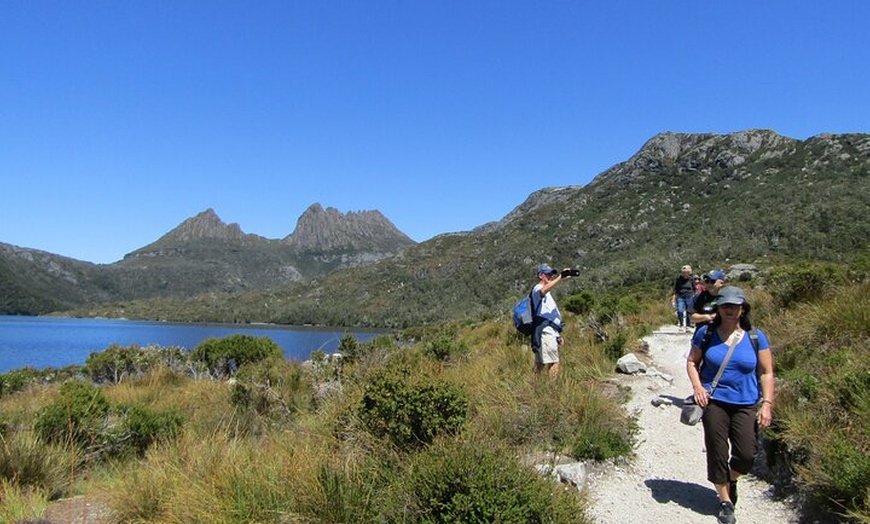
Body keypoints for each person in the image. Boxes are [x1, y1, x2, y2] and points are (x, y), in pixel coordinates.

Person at [685, 286, 775, 524]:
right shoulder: (705, 333)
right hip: (714, 401)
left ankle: (731, 478)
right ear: (719, 308)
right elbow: (692, 362)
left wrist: (767, 404)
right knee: (717, 450)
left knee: (746, 454)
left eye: (735, 306)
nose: (730, 310)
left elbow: (766, 373)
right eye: (725, 305)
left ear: (743, 308)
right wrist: (698, 388)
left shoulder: (756, 336)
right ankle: (725, 501)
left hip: (746, 402)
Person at [531, 264, 571, 378]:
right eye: (547, 274)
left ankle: (536, 388)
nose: (550, 276)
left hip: (549, 332)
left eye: (551, 274)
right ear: (540, 276)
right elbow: (543, 290)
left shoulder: (547, 294)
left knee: (540, 364)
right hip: (546, 332)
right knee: (554, 362)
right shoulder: (538, 289)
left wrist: (558, 335)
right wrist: (560, 277)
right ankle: (551, 390)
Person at [691, 269, 727, 334]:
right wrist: (708, 317)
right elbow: (692, 317)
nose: (709, 283)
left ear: (721, 283)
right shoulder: (699, 297)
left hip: (723, 332)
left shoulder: (728, 297)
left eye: (713, 281)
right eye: (707, 281)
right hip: (703, 332)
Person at [670, 265, 696, 333]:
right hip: (680, 296)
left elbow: (694, 289)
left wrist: (695, 297)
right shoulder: (678, 279)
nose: (686, 273)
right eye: (684, 272)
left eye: (687, 272)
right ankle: (681, 325)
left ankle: (688, 326)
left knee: (689, 311)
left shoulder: (691, 279)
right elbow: (675, 289)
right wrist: (673, 299)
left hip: (689, 296)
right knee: (680, 310)